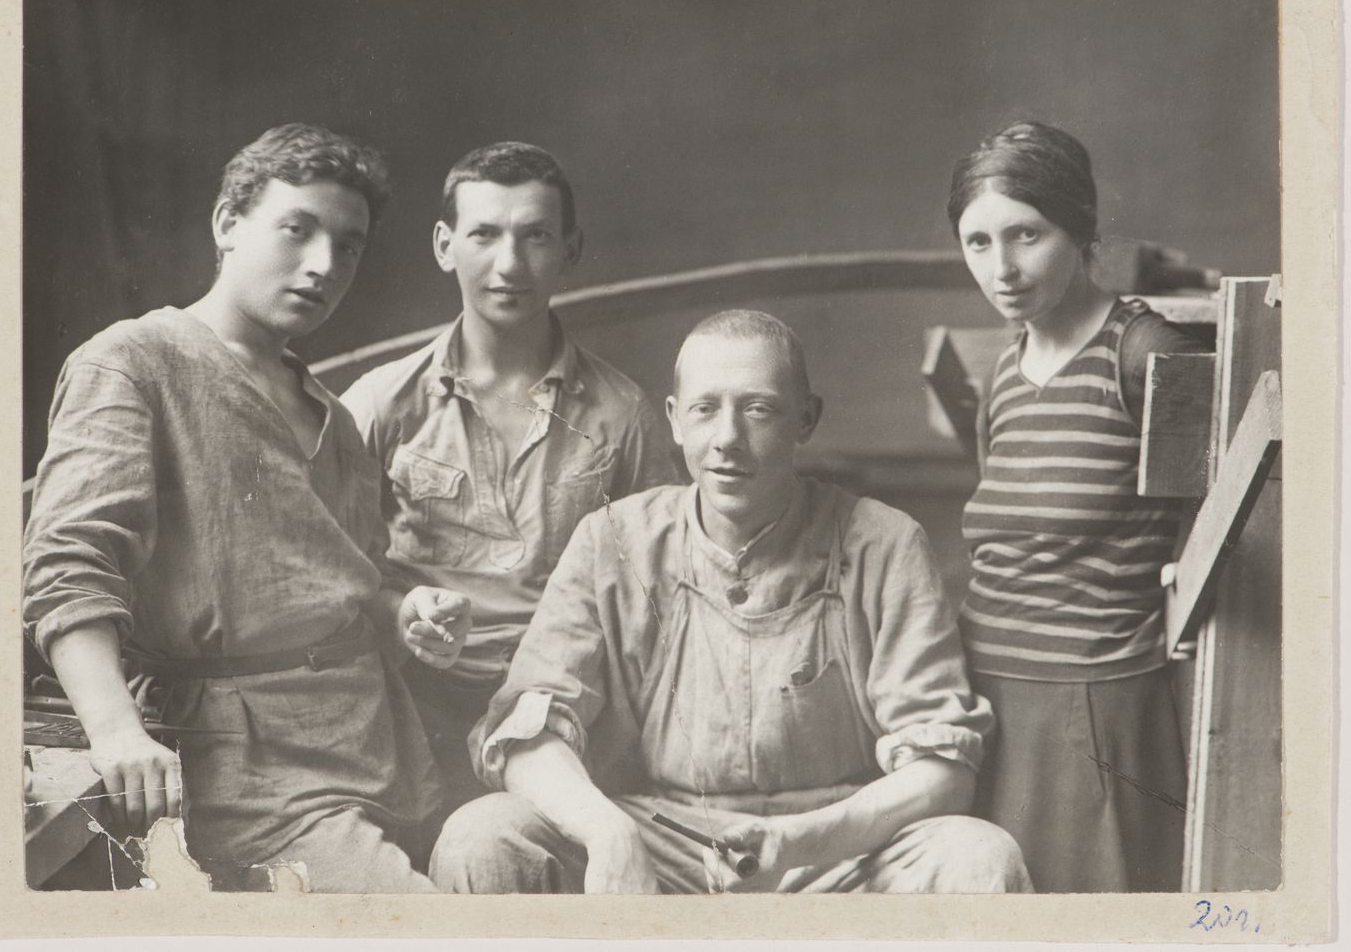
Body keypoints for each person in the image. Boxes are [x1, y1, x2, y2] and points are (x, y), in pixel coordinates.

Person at [427, 310, 1031, 894]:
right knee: (481, 837)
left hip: (838, 852)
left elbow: (944, 770)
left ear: (806, 419)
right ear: (674, 420)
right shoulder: (613, 539)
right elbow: (525, 731)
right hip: (668, 839)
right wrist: (609, 833)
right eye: (705, 409)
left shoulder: (885, 542)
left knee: (979, 857)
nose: (727, 440)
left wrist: (798, 840)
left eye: (760, 409)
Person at [22, 123, 472, 893]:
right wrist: (115, 730)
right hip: (243, 766)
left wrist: (406, 610)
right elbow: (68, 565)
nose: (325, 264)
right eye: (297, 230)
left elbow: (340, 577)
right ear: (228, 224)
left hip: (380, 742)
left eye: (350, 244)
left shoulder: (333, 414)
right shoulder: (134, 360)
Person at [340, 142, 677, 815]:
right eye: (484, 234)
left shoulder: (624, 414)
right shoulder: (379, 404)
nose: (509, 265)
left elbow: (661, 597)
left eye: (536, 237)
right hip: (410, 711)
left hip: (567, 714)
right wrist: (400, 612)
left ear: (571, 251)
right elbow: (326, 575)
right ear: (444, 244)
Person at [946, 121, 1205, 892]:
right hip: (986, 693)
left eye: (1027, 235)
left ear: (1082, 229)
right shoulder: (1005, 364)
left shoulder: (1146, 354)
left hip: (1097, 712)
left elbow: (1216, 533)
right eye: (978, 243)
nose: (1004, 268)